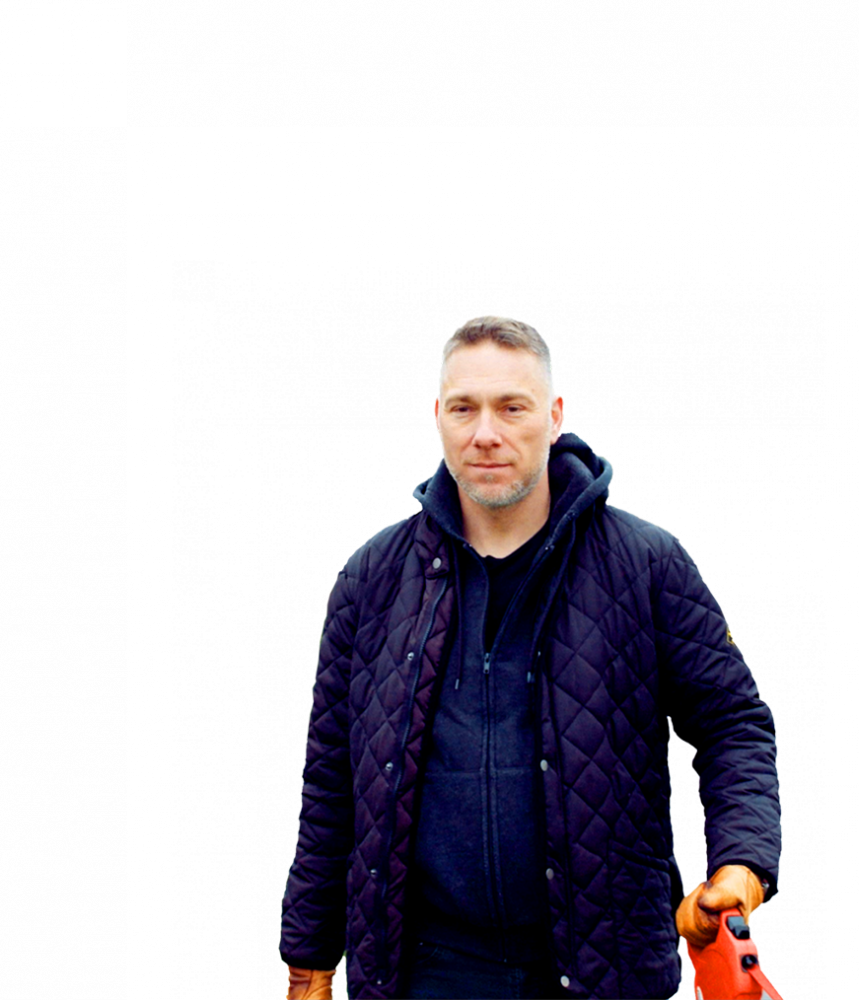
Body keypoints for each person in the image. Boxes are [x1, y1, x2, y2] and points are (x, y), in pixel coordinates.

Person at [280, 316, 782, 1000]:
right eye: (465, 408)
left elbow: (734, 726)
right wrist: (308, 961)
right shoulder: (370, 579)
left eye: (512, 407)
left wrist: (739, 865)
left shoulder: (647, 563)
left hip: (605, 969)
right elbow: (328, 782)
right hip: (423, 972)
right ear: (437, 417)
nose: (486, 432)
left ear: (554, 416)